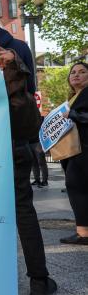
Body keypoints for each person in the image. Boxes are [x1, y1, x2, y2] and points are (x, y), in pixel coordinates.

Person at [0, 0, 57, 295]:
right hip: (14, 139)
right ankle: (38, 281)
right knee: (24, 211)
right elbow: (30, 89)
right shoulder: (19, 48)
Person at [60, 62, 88, 245]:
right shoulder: (75, 96)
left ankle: (83, 233)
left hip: (84, 149)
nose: (76, 75)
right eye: (73, 72)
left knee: (76, 187)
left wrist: (73, 115)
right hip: (78, 149)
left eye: (82, 72)